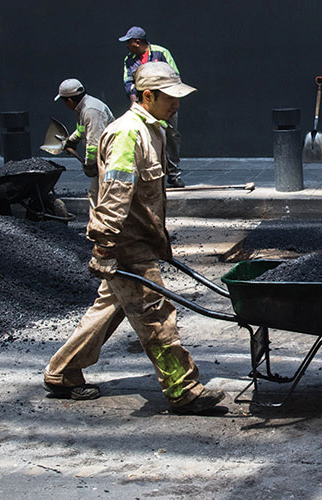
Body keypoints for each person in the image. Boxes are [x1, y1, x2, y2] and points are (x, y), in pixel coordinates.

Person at [43, 62, 226, 415]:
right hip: (126, 244)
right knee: (155, 316)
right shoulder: (128, 134)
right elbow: (116, 192)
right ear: (148, 95)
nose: (176, 104)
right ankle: (183, 389)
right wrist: (105, 245)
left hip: (140, 240)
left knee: (108, 309)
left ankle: (62, 371)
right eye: (170, 98)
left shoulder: (153, 130)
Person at [119, 26, 185, 188]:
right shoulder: (129, 60)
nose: (126, 46)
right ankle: (153, 174)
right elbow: (128, 82)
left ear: (137, 42)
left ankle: (174, 173)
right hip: (145, 104)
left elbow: (174, 75)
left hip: (164, 102)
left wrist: (170, 100)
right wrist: (134, 102)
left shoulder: (161, 53)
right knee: (147, 136)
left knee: (171, 135)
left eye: (128, 42)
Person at [54, 78, 115, 208]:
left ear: (69, 100)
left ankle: (101, 226)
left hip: (109, 159)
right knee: (100, 195)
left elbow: (94, 144)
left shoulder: (91, 111)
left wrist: (89, 164)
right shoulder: (84, 107)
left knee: (99, 197)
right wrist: (71, 140)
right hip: (105, 158)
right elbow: (82, 129)